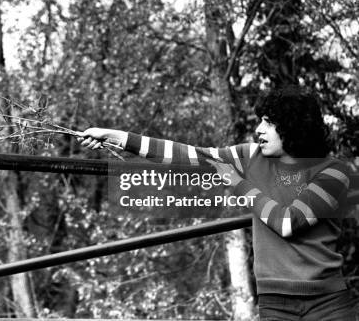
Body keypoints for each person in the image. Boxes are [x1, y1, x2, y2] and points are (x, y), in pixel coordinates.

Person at [79, 86, 358, 320]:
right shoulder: (250, 157)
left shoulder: (334, 172)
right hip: (275, 304)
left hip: (328, 304)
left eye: (269, 122)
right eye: (260, 120)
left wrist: (237, 182)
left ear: (294, 126)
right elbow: (188, 155)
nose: (259, 129)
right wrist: (115, 137)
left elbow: (288, 222)